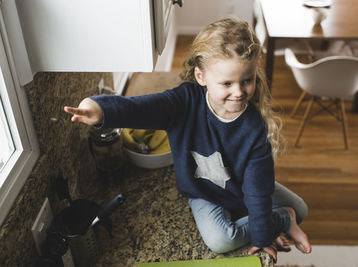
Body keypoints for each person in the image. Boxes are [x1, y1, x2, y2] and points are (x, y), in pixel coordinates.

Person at [64, 17, 311, 262]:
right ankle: (282, 218)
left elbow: (257, 190)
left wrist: (261, 237)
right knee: (220, 241)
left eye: (247, 80)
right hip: (202, 192)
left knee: (301, 208)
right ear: (201, 77)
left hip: (243, 187)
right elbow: (141, 108)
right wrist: (100, 109)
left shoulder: (254, 126)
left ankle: (284, 216)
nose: (239, 92)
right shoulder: (183, 103)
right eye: (226, 83)